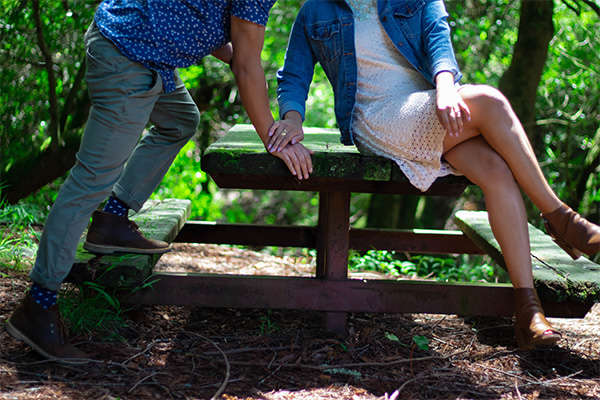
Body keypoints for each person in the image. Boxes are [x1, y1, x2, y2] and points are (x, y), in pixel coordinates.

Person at [271, 0, 600, 350]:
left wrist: (445, 87)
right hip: (375, 117)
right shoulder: (316, 10)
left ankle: (528, 310)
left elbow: (436, 37)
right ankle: (562, 219)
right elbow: (293, 75)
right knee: (490, 101)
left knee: (495, 171)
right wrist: (292, 118)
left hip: (430, 103)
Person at [7, 0, 297, 363]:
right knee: (89, 182)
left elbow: (203, 21)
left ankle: (112, 219)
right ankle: (38, 304)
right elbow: (245, 65)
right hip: (128, 55)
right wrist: (273, 135)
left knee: (179, 120)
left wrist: (246, 55)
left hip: (137, 44)